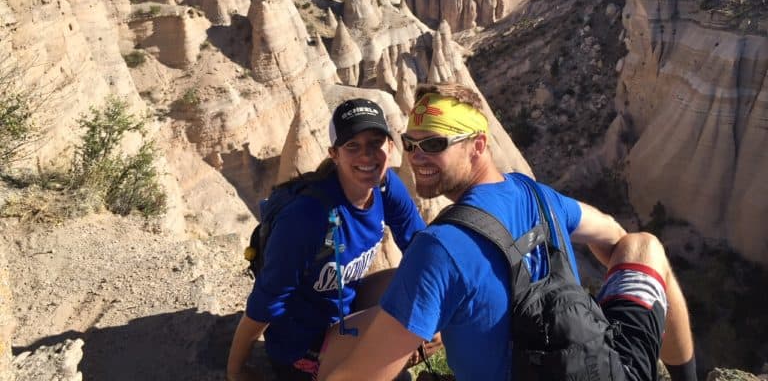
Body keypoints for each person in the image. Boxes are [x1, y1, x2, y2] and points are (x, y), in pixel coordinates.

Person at [320, 82, 697, 381]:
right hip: (608, 369)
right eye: (410, 144)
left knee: (338, 341)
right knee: (643, 245)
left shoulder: (440, 248)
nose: (416, 157)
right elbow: (614, 236)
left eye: (434, 144)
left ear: (478, 145)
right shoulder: (538, 195)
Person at [227, 98, 427, 381]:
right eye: (352, 146)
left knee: (424, 285)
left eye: (375, 142)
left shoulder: (385, 186)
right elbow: (265, 303)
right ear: (335, 154)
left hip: (343, 310)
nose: (367, 155)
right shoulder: (308, 218)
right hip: (302, 344)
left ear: (390, 146)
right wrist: (236, 371)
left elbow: (421, 248)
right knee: (407, 327)